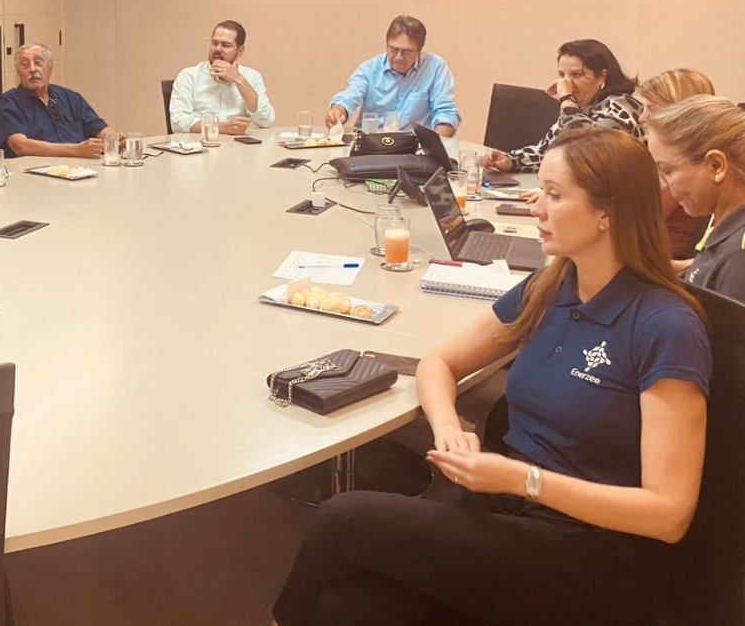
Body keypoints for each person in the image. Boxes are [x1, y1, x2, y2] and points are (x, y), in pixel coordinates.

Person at [271, 126, 710, 626]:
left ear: (606, 213)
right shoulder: (553, 285)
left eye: (554, 195)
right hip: (509, 505)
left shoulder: (666, 326)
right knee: (346, 607)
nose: (537, 208)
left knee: (342, 519)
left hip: (590, 548)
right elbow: (439, 364)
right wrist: (449, 430)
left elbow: (668, 515)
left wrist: (526, 480)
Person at [481, 38, 639, 173]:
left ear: (602, 77)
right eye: (562, 75)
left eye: (576, 75)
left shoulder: (621, 104)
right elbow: (549, 151)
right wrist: (511, 160)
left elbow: (586, 148)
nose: (565, 83)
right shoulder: (578, 107)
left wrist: (566, 100)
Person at [645, 95, 745, 302]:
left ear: (716, 166)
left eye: (667, 170)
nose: (664, 184)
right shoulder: (722, 222)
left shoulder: (739, 258)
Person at [325, 15, 459, 136]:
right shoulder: (370, 69)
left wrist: (434, 144)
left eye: (406, 52)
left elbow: (446, 113)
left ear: (419, 51)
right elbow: (350, 95)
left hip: (413, 147)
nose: (398, 57)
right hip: (370, 144)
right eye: (393, 50)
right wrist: (338, 110)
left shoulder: (435, 67)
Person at [634, 69, 716, 260]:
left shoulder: (696, 168)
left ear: (678, 112)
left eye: (651, 108)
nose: (641, 118)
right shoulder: (645, 159)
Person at [0, 43, 118, 158]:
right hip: (34, 170)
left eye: (38, 62)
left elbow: (99, 128)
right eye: (24, 64)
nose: (32, 69)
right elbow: (20, 146)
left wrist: (114, 140)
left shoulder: (70, 97)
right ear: (18, 72)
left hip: (79, 168)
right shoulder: (8, 102)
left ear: (50, 67)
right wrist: (75, 150)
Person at [169, 20, 275, 135]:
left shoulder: (252, 76)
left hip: (237, 145)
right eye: (214, 43)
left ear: (240, 51)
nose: (218, 49)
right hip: (198, 143)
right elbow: (178, 123)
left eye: (226, 45)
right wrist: (221, 127)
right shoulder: (189, 76)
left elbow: (266, 121)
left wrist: (239, 80)